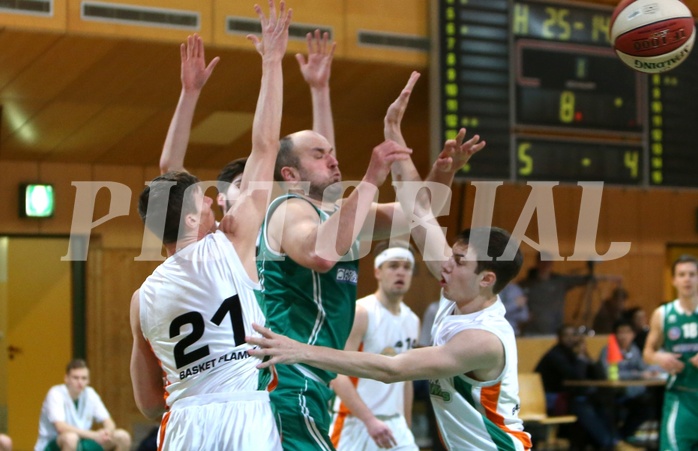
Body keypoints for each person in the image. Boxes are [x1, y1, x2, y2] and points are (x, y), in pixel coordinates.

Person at [129, 1, 290, 449]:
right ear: (197, 217)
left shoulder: (141, 299)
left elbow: (147, 402)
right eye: (208, 202)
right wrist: (272, 61)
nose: (218, 206)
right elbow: (266, 143)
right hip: (244, 418)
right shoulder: (231, 241)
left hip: (183, 425)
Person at [249, 226, 532, 451]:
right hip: (355, 423)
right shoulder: (458, 295)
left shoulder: (482, 339)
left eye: (458, 261)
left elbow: (393, 369)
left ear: (486, 279)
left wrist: (299, 350)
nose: (445, 266)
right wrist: (429, 167)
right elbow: (419, 213)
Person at [254, 70, 418, 450]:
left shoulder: (342, 214)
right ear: (291, 175)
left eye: (332, 152)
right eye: (319, 154)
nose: (333, 160)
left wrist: (397, 132)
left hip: (317, 375)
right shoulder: (288, 208)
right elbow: (320, 254)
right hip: (291, 374)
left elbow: (419, 212)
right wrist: (373, 177)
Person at [159, 27, 336, 216]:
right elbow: (170, 167)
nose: (247, 191)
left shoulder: (278, 228)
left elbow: (321, 162)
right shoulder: (209, 236)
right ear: (220, 198)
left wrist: (320, 90)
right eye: (239, 184)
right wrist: (189, 92)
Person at [329, 241, 420, 451]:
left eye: (407, 267)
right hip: (356, 422)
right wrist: (369, 420)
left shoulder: (413, 320)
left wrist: (406, 425)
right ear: (378, 271)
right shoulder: (362, 312)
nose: (401, 272)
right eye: (393, 266)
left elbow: (407, 381)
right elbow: (337, 374)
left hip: (395, 425)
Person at [643, 254, 698, 451]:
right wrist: (659, 357)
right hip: (680, 396)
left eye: (692, 274)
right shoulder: (663, 314)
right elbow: (648, 352)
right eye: (682, 274)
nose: (687, 279)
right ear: (674, 280)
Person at [535, 325, 614, 450]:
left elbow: (599, 377)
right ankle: (606, 442)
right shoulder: (555, 355)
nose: (571, 338)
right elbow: (576, 377)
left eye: (574, 335)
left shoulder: (575, 354)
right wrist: (581, 359)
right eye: (567, 335)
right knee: (581, 404)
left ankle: (610, 441)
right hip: (550, 399)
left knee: (601, 401)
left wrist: (587, 357)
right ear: (559, 338)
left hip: (569, 396)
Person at [34, 359, 131, 451]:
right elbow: (61, 427)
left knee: (122, 437)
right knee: (71, 438)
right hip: (53, 444)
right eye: (75, 378)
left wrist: (107, 433)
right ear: (66, 378)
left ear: (88, 381)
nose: (80, 382)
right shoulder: (55, 393)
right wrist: (94, 435)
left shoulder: (90, 393)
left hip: (83, 440)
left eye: (84, 378)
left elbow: (109, 422)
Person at [598, 318, 657, 442]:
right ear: (614, 335)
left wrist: (652, 371)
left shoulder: (634, 350)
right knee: (611, 409)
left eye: (627, 332)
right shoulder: (609, 350)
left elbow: (643, 368)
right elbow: (610, 374)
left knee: (649, 407)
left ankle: (622, 437)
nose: (624, 336)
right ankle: (616, 440)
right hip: (615, 393)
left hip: (635, 393)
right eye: (621, 332)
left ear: (633, 334)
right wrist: (638, 374)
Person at [521, 253, 592, 336]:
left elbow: (585, 279)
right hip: (532, 331)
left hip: (555, 331)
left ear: (551, 263)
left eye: (548, 262)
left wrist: (591, 267)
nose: (545, 265)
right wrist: (524, 315)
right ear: (537, 262)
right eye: (543, 261)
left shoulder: (559, 281)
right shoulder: (525, 284)